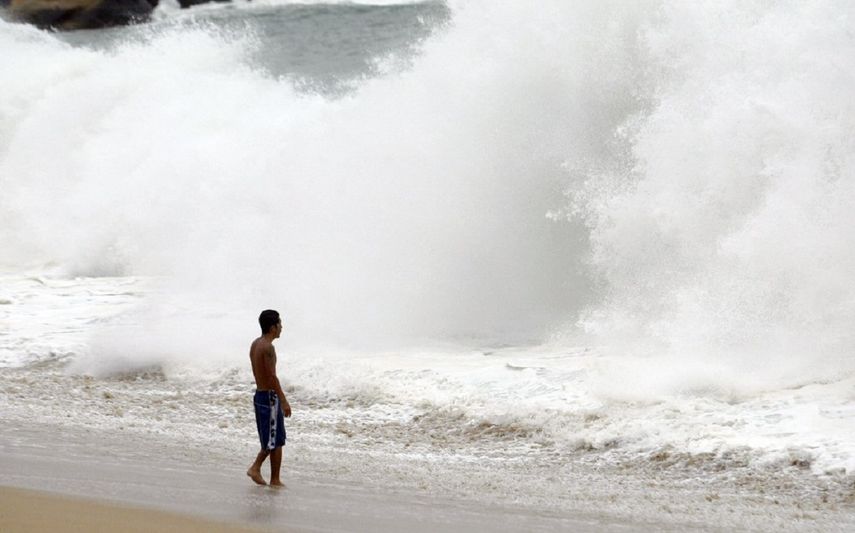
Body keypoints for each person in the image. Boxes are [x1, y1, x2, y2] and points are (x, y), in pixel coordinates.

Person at [246, 309, 292, 487]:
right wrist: (284, 400)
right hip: (269, 397)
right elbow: (272, 377)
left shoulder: (255, 343)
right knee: (275, 439)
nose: (281, 327)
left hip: (259, 394)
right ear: (273, 327)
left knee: (275, 438)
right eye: (279, 324)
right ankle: (257, 467)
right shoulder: (268, 348)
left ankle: (274, 479)